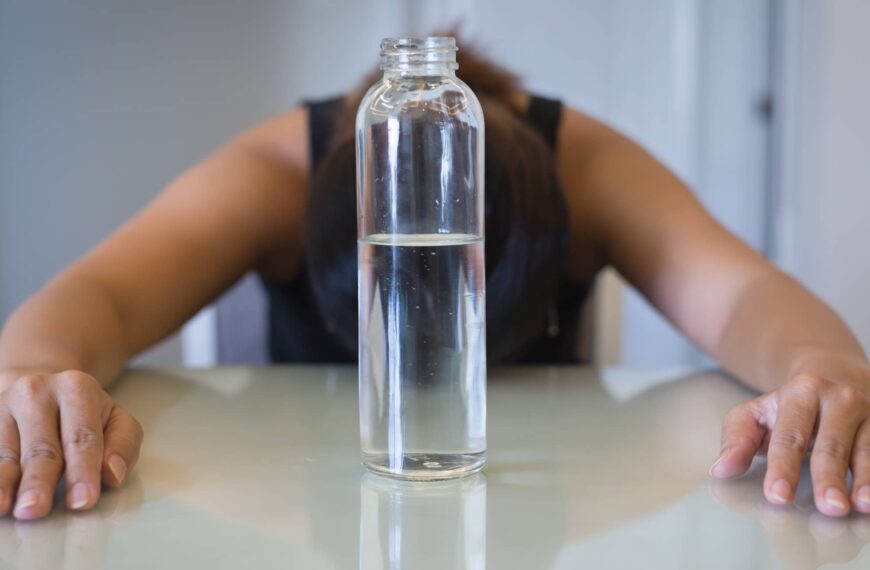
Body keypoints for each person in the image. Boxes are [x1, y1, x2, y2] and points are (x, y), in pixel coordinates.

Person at [0, 40, 868, 522]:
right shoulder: (275, 171)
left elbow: (746, 296)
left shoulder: (590, 168)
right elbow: (102, 295)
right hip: (323, 505)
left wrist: (823, 366)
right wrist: (28, 376)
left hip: (530, 509)